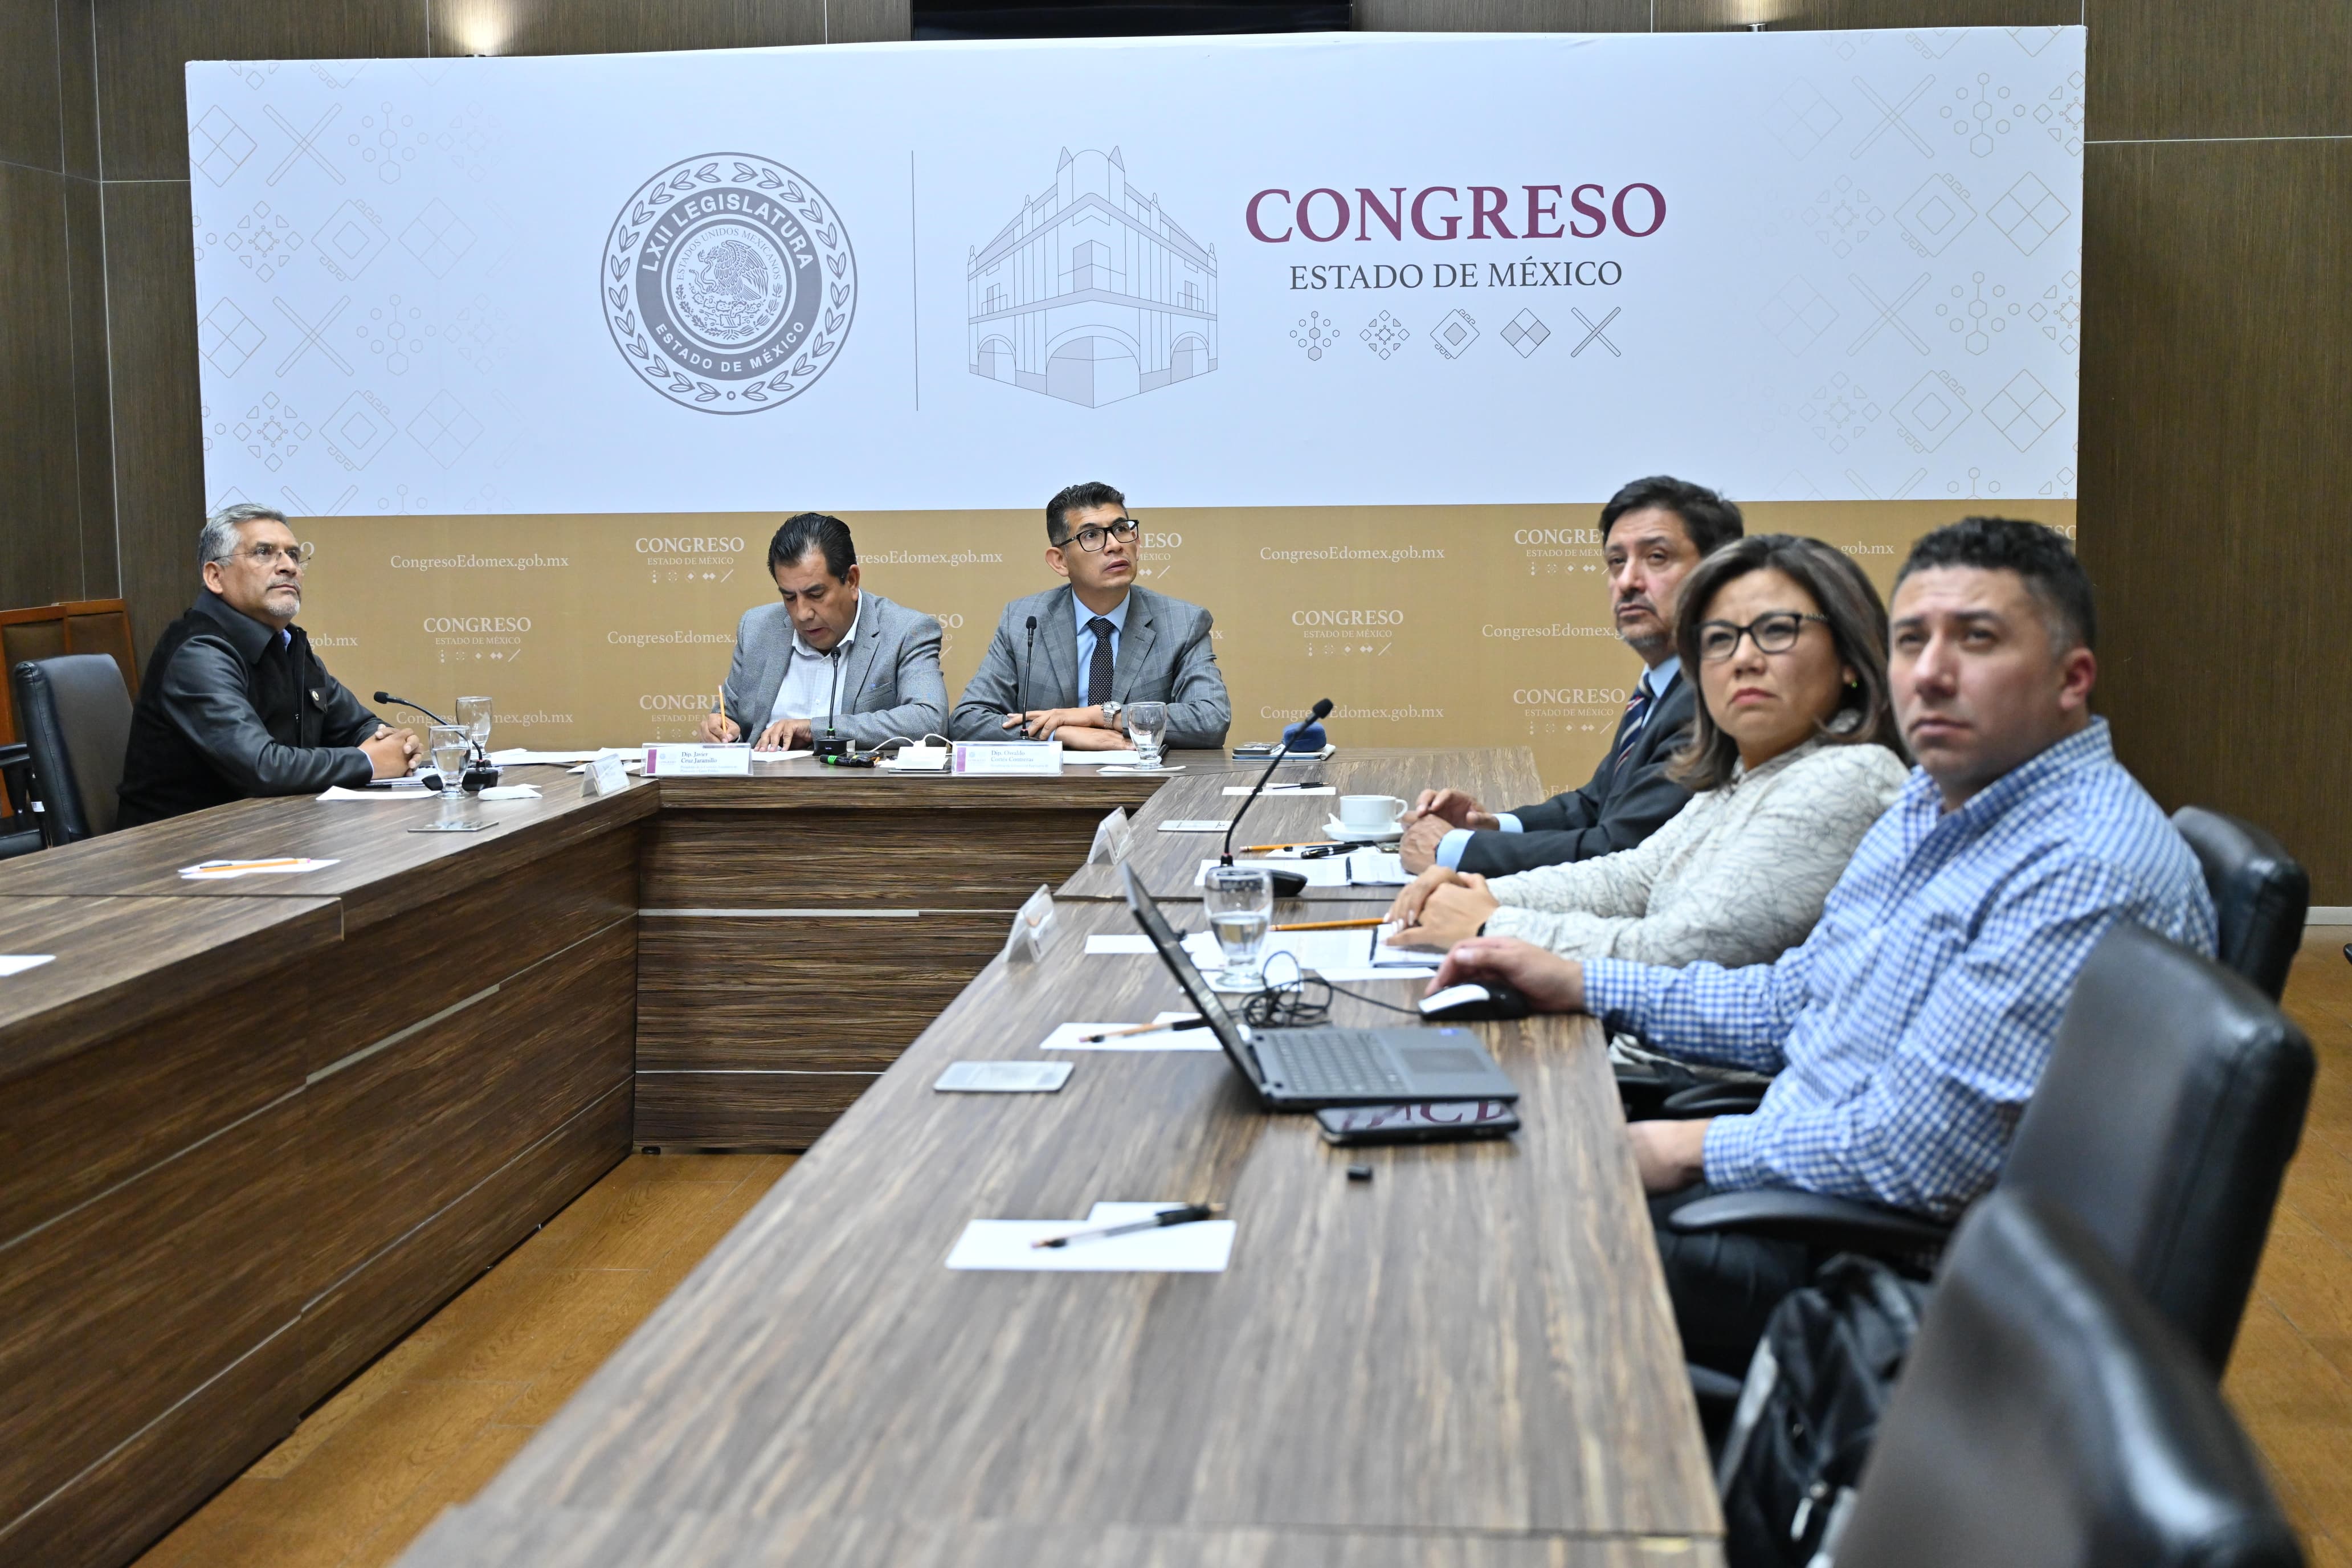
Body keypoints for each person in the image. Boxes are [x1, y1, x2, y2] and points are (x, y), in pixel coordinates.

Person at [1427, 517, 2216, 1374]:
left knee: (1484, 1230)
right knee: (1474, 1181)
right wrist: (1581, 981)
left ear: (2074, 677)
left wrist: (1679, 1150)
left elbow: (1917, 1153)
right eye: (1912, 641)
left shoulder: (2078, 865)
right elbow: (1795, 998)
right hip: (1805, 1187)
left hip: (1887, 1274)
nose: (1932, 672)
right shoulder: (1937, 805)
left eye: (1977, 639)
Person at [1386, 537, 1909, 973]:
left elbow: (1683, 951)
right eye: (1719, 638)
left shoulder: (1846, 776)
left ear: (1849, 656)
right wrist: (1476, 890)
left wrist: (1489, 923)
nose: (1744, 658)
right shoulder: (1752, 770)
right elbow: (1634, 878)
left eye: (1776, 631)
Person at [1399, 475, 1743, 873]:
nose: (1627, 582)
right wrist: (1490, 825)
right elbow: (1595, 803)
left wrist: (1453, 850)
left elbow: (1620, 850)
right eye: (1617, 562)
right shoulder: (1662, 687)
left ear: (1717, 576)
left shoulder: (1716, 697)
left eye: (1657, 557)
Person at [117, 503, 419, 826]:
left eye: (294, 555)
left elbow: (355, 725)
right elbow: (261, 767)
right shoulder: (199, 653)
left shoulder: (288, 643)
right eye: (264, 553)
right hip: (183, 843)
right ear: (215, 577)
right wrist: (368, 762)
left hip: (270, 829)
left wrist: (390, 744)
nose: (288, 566)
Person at [949, 481, 1230, 750]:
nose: (1115, 545)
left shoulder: (1182, 622)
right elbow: (968, 721)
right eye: (1091, 535)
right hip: (1051, 782)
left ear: (1137, 544)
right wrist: (1060, 733)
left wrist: (1101, 716)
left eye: (1121, 529)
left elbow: (1211, 719)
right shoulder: (1024, 620)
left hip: (1143, 779)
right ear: (1060, 561)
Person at [697, 513, 946, 751]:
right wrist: (722, 731)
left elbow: (929, 721)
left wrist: (816, 729)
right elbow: (729, 720)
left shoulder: (906, 631)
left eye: (816, 595)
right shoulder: (756, 628)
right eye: (789, 598)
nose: (802, 613)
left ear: (852, 581)